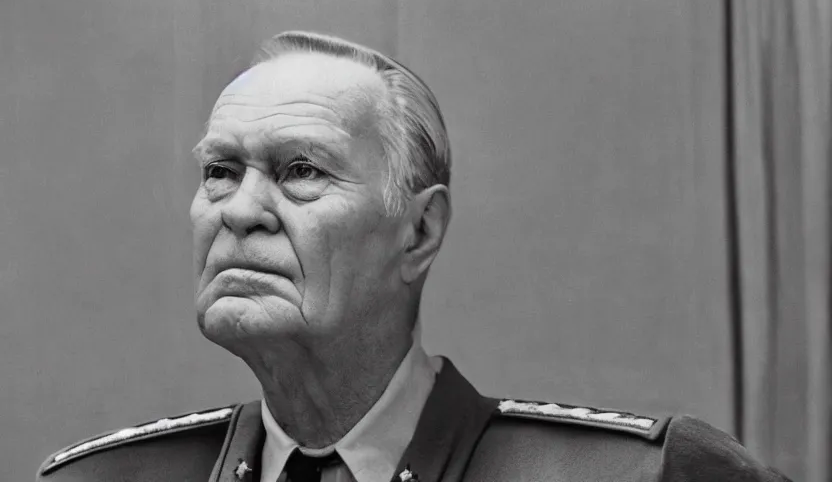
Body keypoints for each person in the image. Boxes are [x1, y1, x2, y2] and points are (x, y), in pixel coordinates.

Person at [37, 31, 792, 482]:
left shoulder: (637, 476)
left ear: (420, 233)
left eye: (301, 170)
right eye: (219, 172)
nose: (239, 210)